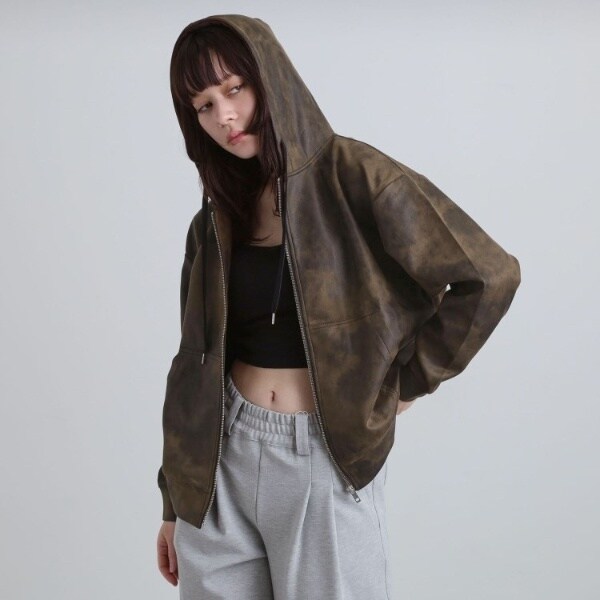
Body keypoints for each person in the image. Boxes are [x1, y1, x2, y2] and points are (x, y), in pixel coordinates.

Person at [155, 14, 521, 600]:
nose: (224, 116)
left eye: (234, 88)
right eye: (203, 105)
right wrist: (174, 499)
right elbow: (192, 360)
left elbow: (489, 276)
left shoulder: (353, 175)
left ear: (269, 77)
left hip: (322, 457)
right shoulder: (214, 220)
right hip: (217, 462)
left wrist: (403, 386)